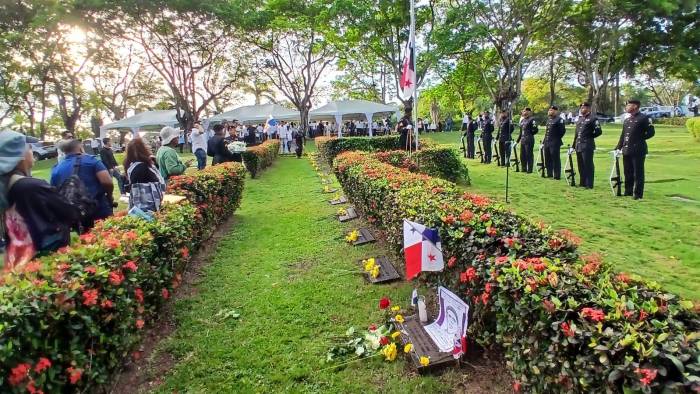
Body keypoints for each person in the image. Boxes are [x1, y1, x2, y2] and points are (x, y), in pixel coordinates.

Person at [0, 131, 80, 270]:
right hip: (46, 260)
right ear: (20, 156)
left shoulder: (6, 186)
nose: (32, 151)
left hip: (20, 259)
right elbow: (70, 212)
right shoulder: (31, 186)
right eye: (29, 148)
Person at [51, 139, 114, 227]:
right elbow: (107, 182)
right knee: (108, 234)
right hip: (99, 208)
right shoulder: (91, 161)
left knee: (86, 238)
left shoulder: (56, 168)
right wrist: (110, 196)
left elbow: (54, 192)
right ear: (80, 148)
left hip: (76, 214)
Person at [616, 99, 655, 200]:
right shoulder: (627, 120)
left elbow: (651, 132)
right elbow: (623, 135)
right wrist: (618, 147)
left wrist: (639, 139)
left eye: (629, 105)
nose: (627, 107)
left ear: (635, 106)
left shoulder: (644, 118)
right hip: (627, 149)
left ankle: (637, 194)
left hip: (638, 149)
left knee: (638, 173)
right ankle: (628, 191)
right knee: (627, 172)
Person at [124, 138, 165, 213]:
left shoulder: (132, 165)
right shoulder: (143, 167)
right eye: (147, 146)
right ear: (143, 149)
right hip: (149, 206)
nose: (149, 148)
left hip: (140, 205)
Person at [573, 102, 603, 189]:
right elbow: (576, 133)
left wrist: (589, 137)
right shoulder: (580, 119)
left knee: (588, 164)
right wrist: (573, 145)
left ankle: (589, 184)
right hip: (578, 145)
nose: (582, 109)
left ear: (589, 109)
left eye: (585, 107)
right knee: (580, 165)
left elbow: (598, 131)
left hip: (587, 145)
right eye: (581, 108)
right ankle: (582, 182)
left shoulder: (593, 118)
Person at [543, 106, 566, 179]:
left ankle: (556, 175)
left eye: (551, 110)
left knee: (555, 159)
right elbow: (547, 132)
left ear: (556, 111)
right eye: (549, 110)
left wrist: (556, 139)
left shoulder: (559, 120)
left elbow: (562, 131)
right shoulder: (549, 120)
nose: (549, 111)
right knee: (547, 158)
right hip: (547, 142)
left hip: (555, 142)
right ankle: (549, 173)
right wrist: (544, 142)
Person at [516, 107, 539, 173]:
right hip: (523, 139)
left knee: (529, 154)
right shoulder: (522, 120)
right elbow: (521, 132)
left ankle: (530, 169)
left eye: (526, 111)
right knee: (522, 155)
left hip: (529, 139)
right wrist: (517, 141)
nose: (524, 112)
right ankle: (523, 168)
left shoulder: (532, 120)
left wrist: (530, 134)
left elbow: (536, 130)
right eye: (523, 111)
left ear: (529, 112)